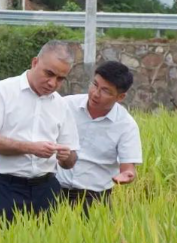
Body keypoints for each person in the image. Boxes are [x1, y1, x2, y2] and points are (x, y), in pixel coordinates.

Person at [0, 40, 79, 222]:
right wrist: (30, 148)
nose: (52, 83)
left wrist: (66, 156)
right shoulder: (3, 91)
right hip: (5, 187)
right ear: (35, 62)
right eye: (49, 74)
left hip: (46, 188)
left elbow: (71, 160)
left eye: (60, 79)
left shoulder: (61, 105)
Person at [56, 60, 142, 214]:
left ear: (120, 97)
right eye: (94, 85)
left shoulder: (126, 125)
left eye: (106, 91)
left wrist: (127, 175)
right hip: (53, 192)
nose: (95, 94)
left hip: (94, 200)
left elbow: (128, 168)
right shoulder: (65, 105)